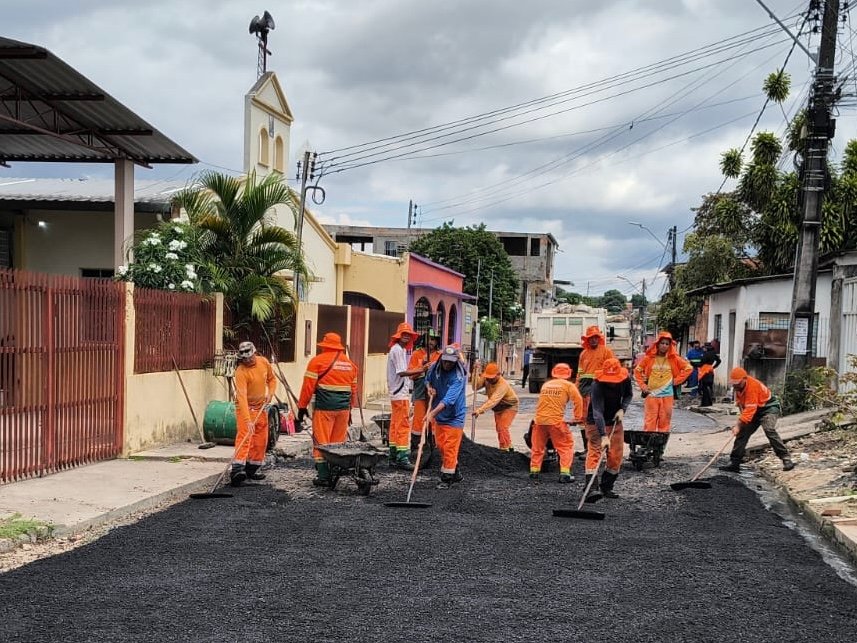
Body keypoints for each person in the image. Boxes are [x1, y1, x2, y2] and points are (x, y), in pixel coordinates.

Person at [297, 332, 359, 487]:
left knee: (321, 441)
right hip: (343, 410)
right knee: (337, 442)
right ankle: (335, 468)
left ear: (324, 346)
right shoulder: (350, 365)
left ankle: (324, 475)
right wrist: (350, 409)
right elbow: (353, 391)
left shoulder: (317, 362)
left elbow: (308, 387)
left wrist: (302, 407)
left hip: (324, 408)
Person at [719, 367, 796, 473]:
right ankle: (735, 463)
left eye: (738, 383)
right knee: (742, 433)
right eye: (734, 383)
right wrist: (741, 425)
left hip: (768, 408)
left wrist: (738, 425)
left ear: (744, 379)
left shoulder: (752, 386)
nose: (735, 385)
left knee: (769, 429)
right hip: (754, 410)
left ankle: (786, 458)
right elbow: (742, 406)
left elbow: (750, 409)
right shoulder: (738, 388)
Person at [585, 358, 633, 499]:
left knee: (616, 455)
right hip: (595, 422)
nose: (612, 383)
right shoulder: (597, 385)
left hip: (614, 421)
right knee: (595, 451)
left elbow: (628, 395)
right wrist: (603, 436)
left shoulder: (625, 379)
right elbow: (597, 412)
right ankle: (591, 489)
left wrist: (622, 409)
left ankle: (606, 487)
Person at [634, 331, 692, 446]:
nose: (664, 346)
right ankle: (647, 447)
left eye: (667, 344)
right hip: (651, 396)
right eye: (662, 343)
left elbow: (688, 368)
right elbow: (637, 371)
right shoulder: (649, 358)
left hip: (667, 396)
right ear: (657, 344)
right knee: (650, 422)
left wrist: (677, 381)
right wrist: (643, 386)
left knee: (664, 423)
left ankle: (659, 449)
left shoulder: (674, 359)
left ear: (670, 346)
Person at [230, 341, 277, 486]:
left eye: (250, 357)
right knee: (245, 436)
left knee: (261, 439)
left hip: (260, 407)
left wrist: (270, 394)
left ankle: (252, 468)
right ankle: (237, 470)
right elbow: (242, 397)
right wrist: (247, 420)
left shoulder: (263, 362)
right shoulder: (241, 372)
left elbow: (272, 380)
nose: (248, 360)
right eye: (245, 358)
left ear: (254, 353)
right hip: (245, 408)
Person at [529, 362, 583, 483]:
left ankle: (534, 472)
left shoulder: (546, 385)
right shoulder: (569, 386)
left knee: (537, 447)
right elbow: (578, 400)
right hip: (555, 422)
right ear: (568, 374)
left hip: (539, 421)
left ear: (554, 373)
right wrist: (578, 418)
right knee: (565, 446)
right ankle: (565, 474)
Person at [425, 346, 468, 488]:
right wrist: (429, 388)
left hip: (455, 416)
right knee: (441, 446)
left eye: (451, 362)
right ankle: (456, 473)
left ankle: (446, 479)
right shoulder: (434, 368)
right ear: (441, 359)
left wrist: (431, 414)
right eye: (445, 361)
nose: (447, 364)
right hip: (440, 415)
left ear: (456, 361)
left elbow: (448, 400)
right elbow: (427, 380)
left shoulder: (458, 377)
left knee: (449, 447)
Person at [387, 322, 420, 470]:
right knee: (403, 425)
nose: (406, 337)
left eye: (408, 335)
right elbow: (401, 372)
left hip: (397, 393)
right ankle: (402, 457)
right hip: (400, 394)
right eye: (404, 334)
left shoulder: (397, 350)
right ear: (399, 335)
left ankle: (393, 455)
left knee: (395, 425)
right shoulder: (398, 350)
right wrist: (421, 369)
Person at [576, 325, 615, 453]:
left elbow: (613, 370)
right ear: (587, 339)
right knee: (584, 418)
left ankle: (600, 446)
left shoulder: (606, 352)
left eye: (596, 337)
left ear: (599, 338)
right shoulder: (583, 354)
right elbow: (580, 373)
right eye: (591, 338)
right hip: (584, 388)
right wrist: (577, 388)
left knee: (599, 416)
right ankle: (587, 448)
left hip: (600, 387)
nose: (593, 340)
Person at [472, 361, 519, 452]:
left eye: (492, 378)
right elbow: (475, 386)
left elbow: (493, 400)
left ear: (498, 375)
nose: (489, 380)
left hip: (509, 406)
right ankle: (509, 446)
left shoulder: (503, 385)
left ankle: (504, 449)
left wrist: (480, 410)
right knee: (499, 428)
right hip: (498, 408)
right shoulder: (486, 378)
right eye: (487, 377)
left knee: (502, 427)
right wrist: (475, 371)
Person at [408, 329, 441, 457]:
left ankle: (433, 447)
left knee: (434, 419)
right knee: (418, 420)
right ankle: (416, 447)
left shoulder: (440, 355)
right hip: (421, 391)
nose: (431, 342)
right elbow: (411, 376)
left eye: (433, 339)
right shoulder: (416, 354)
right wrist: (422, 368)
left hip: (435, 392)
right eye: (429, 339)